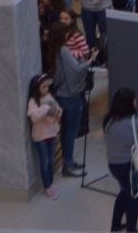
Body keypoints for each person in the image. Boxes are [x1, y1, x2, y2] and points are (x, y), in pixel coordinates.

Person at [46, 23, 94, 177]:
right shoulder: (64, 50)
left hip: (61, 93)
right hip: (71, 95)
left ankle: (69, 160)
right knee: (70, 131)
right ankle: (68, 163)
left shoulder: (53, 50)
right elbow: (77, 70)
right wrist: (90, 60)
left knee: (66, 130)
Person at [103, 88, 138, 233]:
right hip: (131, 166)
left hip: (114, 165)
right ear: (130, 103)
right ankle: (131, 230)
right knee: (133, 197)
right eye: (134, 99)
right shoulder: (136, 121)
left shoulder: (109, 120)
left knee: (125, 192)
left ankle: (115, 225)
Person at [27, 73, 62, 199]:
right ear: (36, 88)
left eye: (47, 86)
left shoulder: (49, 96)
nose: (47, 89)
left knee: (50, 160)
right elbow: (34, 117)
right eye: (44, 87)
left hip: (51, 134)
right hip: (40, 137)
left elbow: (58, 110)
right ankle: (47, 186)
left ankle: (50, 184)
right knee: (45, 162)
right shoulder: (33, 101)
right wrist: (46, 107)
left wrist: (57, 113)